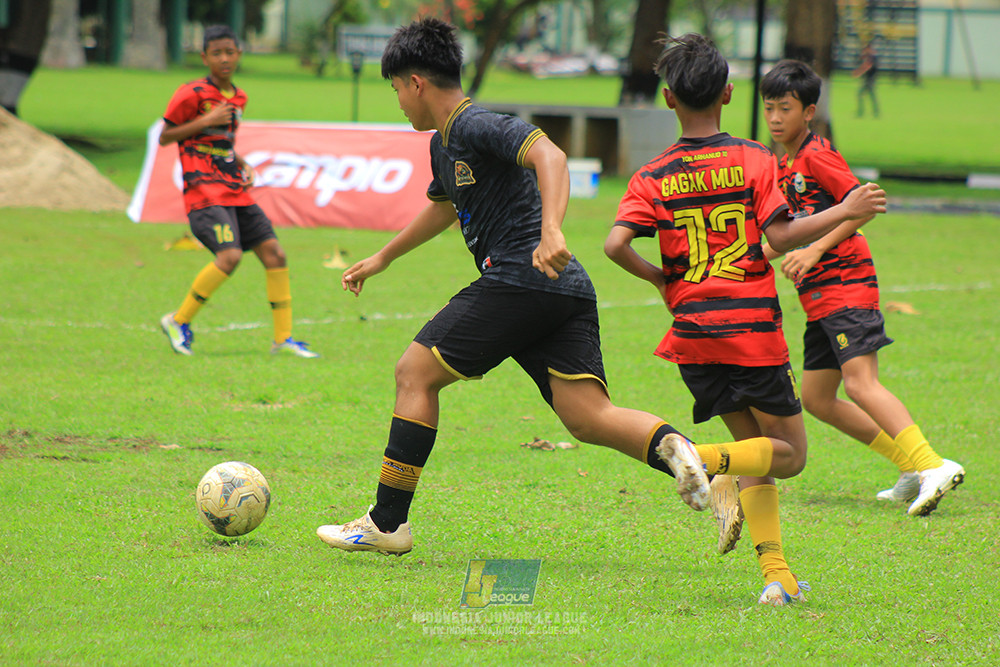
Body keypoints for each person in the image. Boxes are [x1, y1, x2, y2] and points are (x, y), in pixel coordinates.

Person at [315, 19, 793, 579]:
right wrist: (384, 258)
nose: (397, 101)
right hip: (561, 290)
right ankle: (709, 475)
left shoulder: (477, 123)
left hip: (525, 275)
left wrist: (552, 230)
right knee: (588, 418)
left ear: (416, 82)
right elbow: (444, 207)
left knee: (413, 374)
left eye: (396, 88)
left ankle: (386, 523)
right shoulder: (443, 146)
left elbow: (552, 158)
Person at [604, 34, 887, 606]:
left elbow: (614, 245)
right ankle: (701, 460)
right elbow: (779, 236)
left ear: (667, 99)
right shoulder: (756, 159)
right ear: (729, 94)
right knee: (792, 455)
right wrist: (846, 209)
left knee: (757, 451)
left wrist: (662, 279)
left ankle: (776, 577)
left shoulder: (653, 174)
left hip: (691, 335)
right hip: (750, 334)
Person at [759, 59, 964, 516]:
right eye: (769, 108)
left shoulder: (816, 155)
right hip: (818, 297)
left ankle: (933, 464)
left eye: (785, 109)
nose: (775, 118)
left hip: (846, 285)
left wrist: (813, 252)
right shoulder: (783, 161)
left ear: (809, 111)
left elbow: (863, 206)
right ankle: (910, 467)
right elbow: (791, 233)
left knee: (861, 383)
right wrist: (745, 260)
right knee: (816, 397)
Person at [158, 25, 318, 359]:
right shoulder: (191, 93)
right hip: (203, 192)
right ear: (205, 57)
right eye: (217, 53)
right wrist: (206, 119)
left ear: (240, 54)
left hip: (234, 189)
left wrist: (241, 163)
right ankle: (177, 320)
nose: (225, 58)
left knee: (275, 254)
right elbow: (166, 136)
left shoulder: (239, 97)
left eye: (230, 52)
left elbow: (222, 143)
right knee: (229, 256)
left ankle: (283, 339)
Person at [854, 41, 879, 118]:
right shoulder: (871, 56)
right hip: (870, 79)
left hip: (869, 79)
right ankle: (875, 112)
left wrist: (858, 72)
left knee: (861, 95)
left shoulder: (871, 57)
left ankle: (861, 112)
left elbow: (867, 66)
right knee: (871, 96)